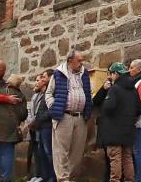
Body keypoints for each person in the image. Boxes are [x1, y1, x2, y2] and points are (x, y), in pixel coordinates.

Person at [46, 50, 93, 182]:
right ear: (70, 61)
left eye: (82, 60)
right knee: (61, 152)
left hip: (80, 117)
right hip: (64, 116)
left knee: (77, 153)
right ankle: (63, 179)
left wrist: (88, 106)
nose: (81, 63)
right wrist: (54, 106)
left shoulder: (84, 74)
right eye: (79, 61)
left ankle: (71, 179)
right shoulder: (58, 73)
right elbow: (48, 93)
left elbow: (89, 92)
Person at [97, 63, 141, 182]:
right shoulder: (133, 89)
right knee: (127, 158)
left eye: (111, 74)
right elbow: (139, 109)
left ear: (115, 74)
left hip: (113, 130)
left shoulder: (115, 89)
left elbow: (108, 107)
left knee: (115, 158)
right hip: (128, 130)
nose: (110, 77)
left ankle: (115, 180)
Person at [0, 75, 27, 182]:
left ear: (8, 82)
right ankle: (6, 178)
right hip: (11, 127)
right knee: (9, 153)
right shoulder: (21, 96)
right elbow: (23, 114)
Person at [29, 70, 56, 182]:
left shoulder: (53, 93)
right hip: (41, 126)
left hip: (47, 126)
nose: (42, 79)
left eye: (44, 77)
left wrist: (38, 121)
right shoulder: (44, 93)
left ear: (50, 78)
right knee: (42, 153)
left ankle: (52, 176)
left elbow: (51, 110)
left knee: (49, 152)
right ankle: (44, 176)